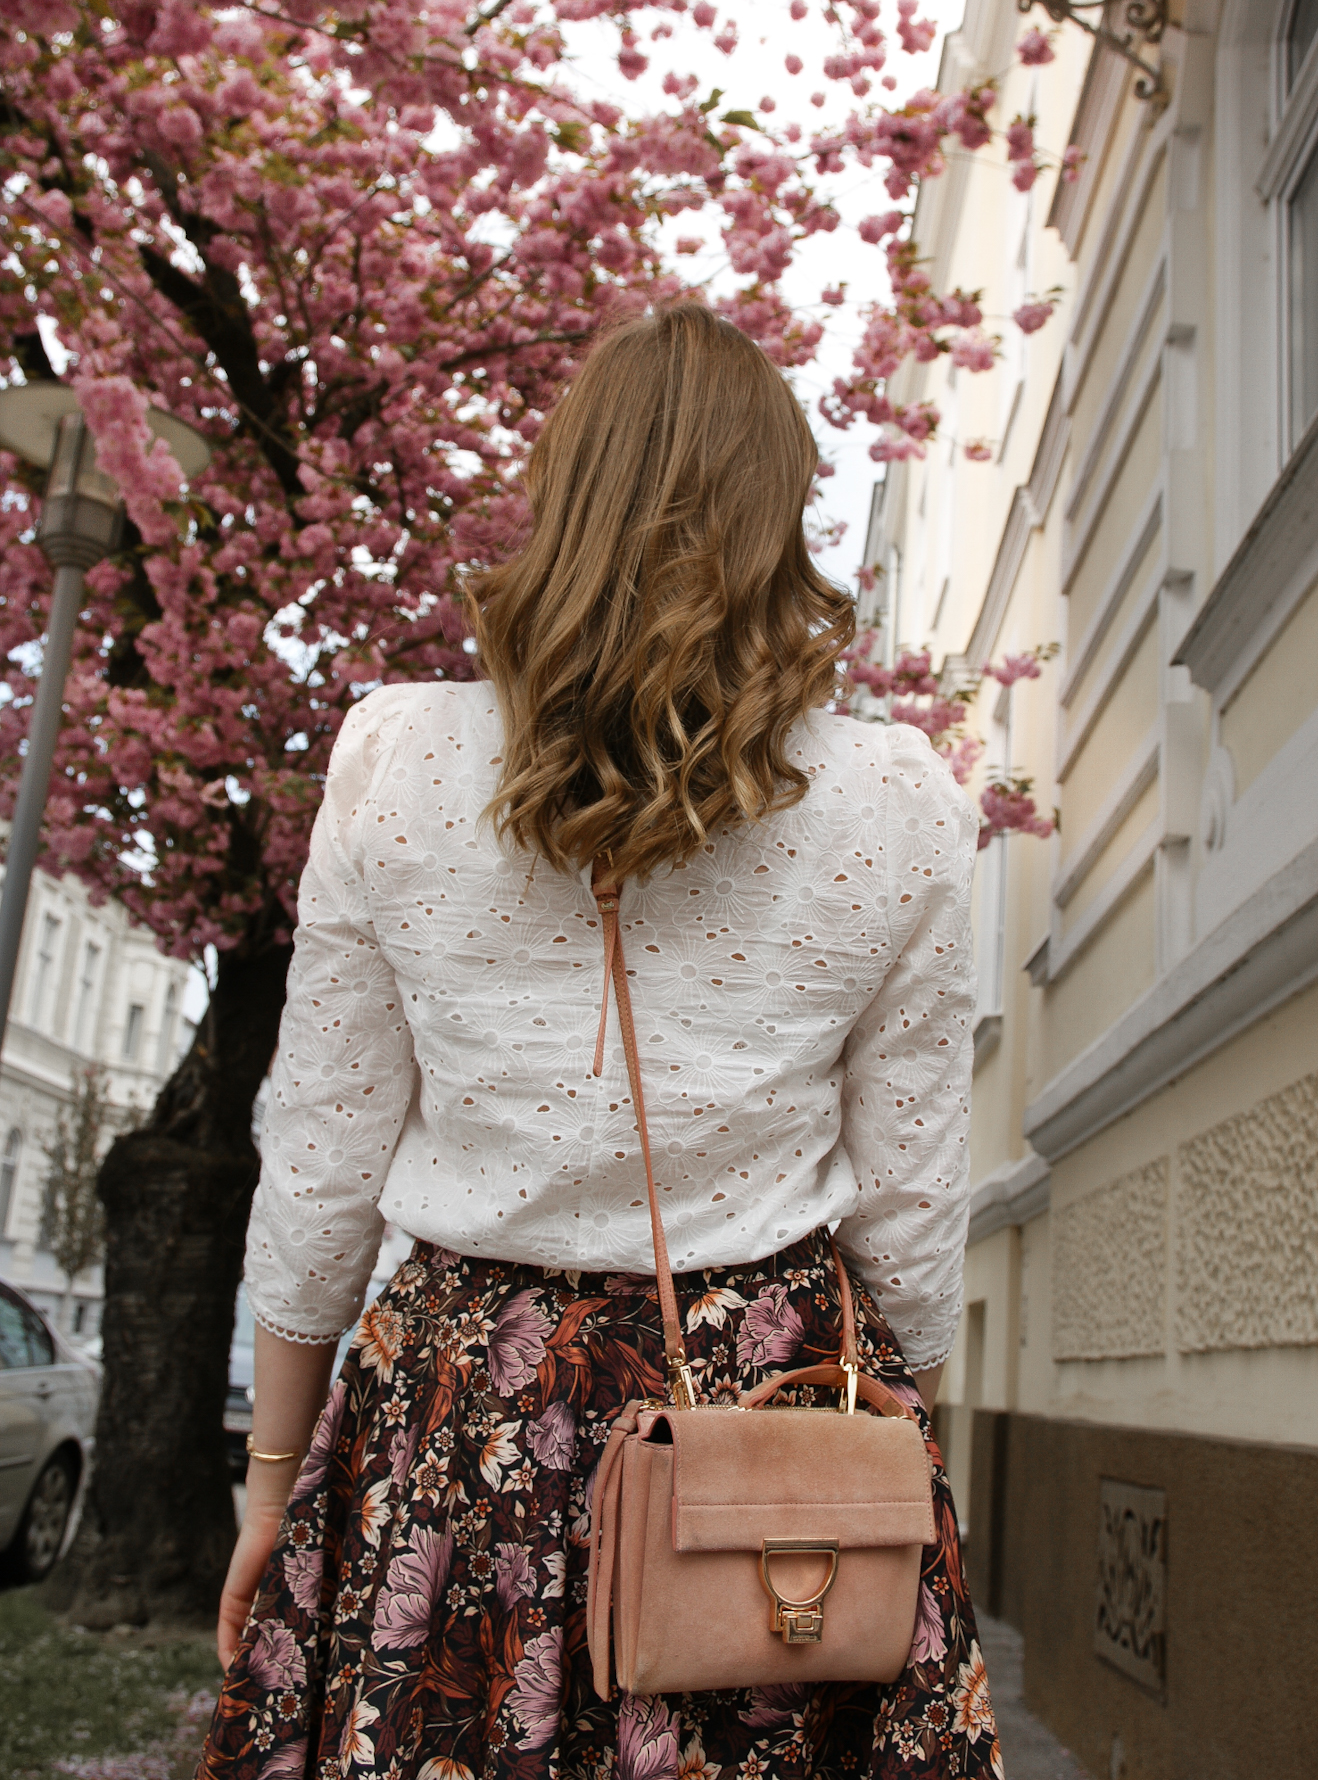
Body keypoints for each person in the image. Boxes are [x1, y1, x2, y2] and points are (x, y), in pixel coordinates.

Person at [198, 302, 1000, 1780]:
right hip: (758, 1405)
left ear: (563, 491)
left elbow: (319, 1162)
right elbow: (908, 1202)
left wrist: (270, 1485)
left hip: (453, 1411)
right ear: (779, 516)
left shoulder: (398, 758)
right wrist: (888, 1446)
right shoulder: (898, 800)